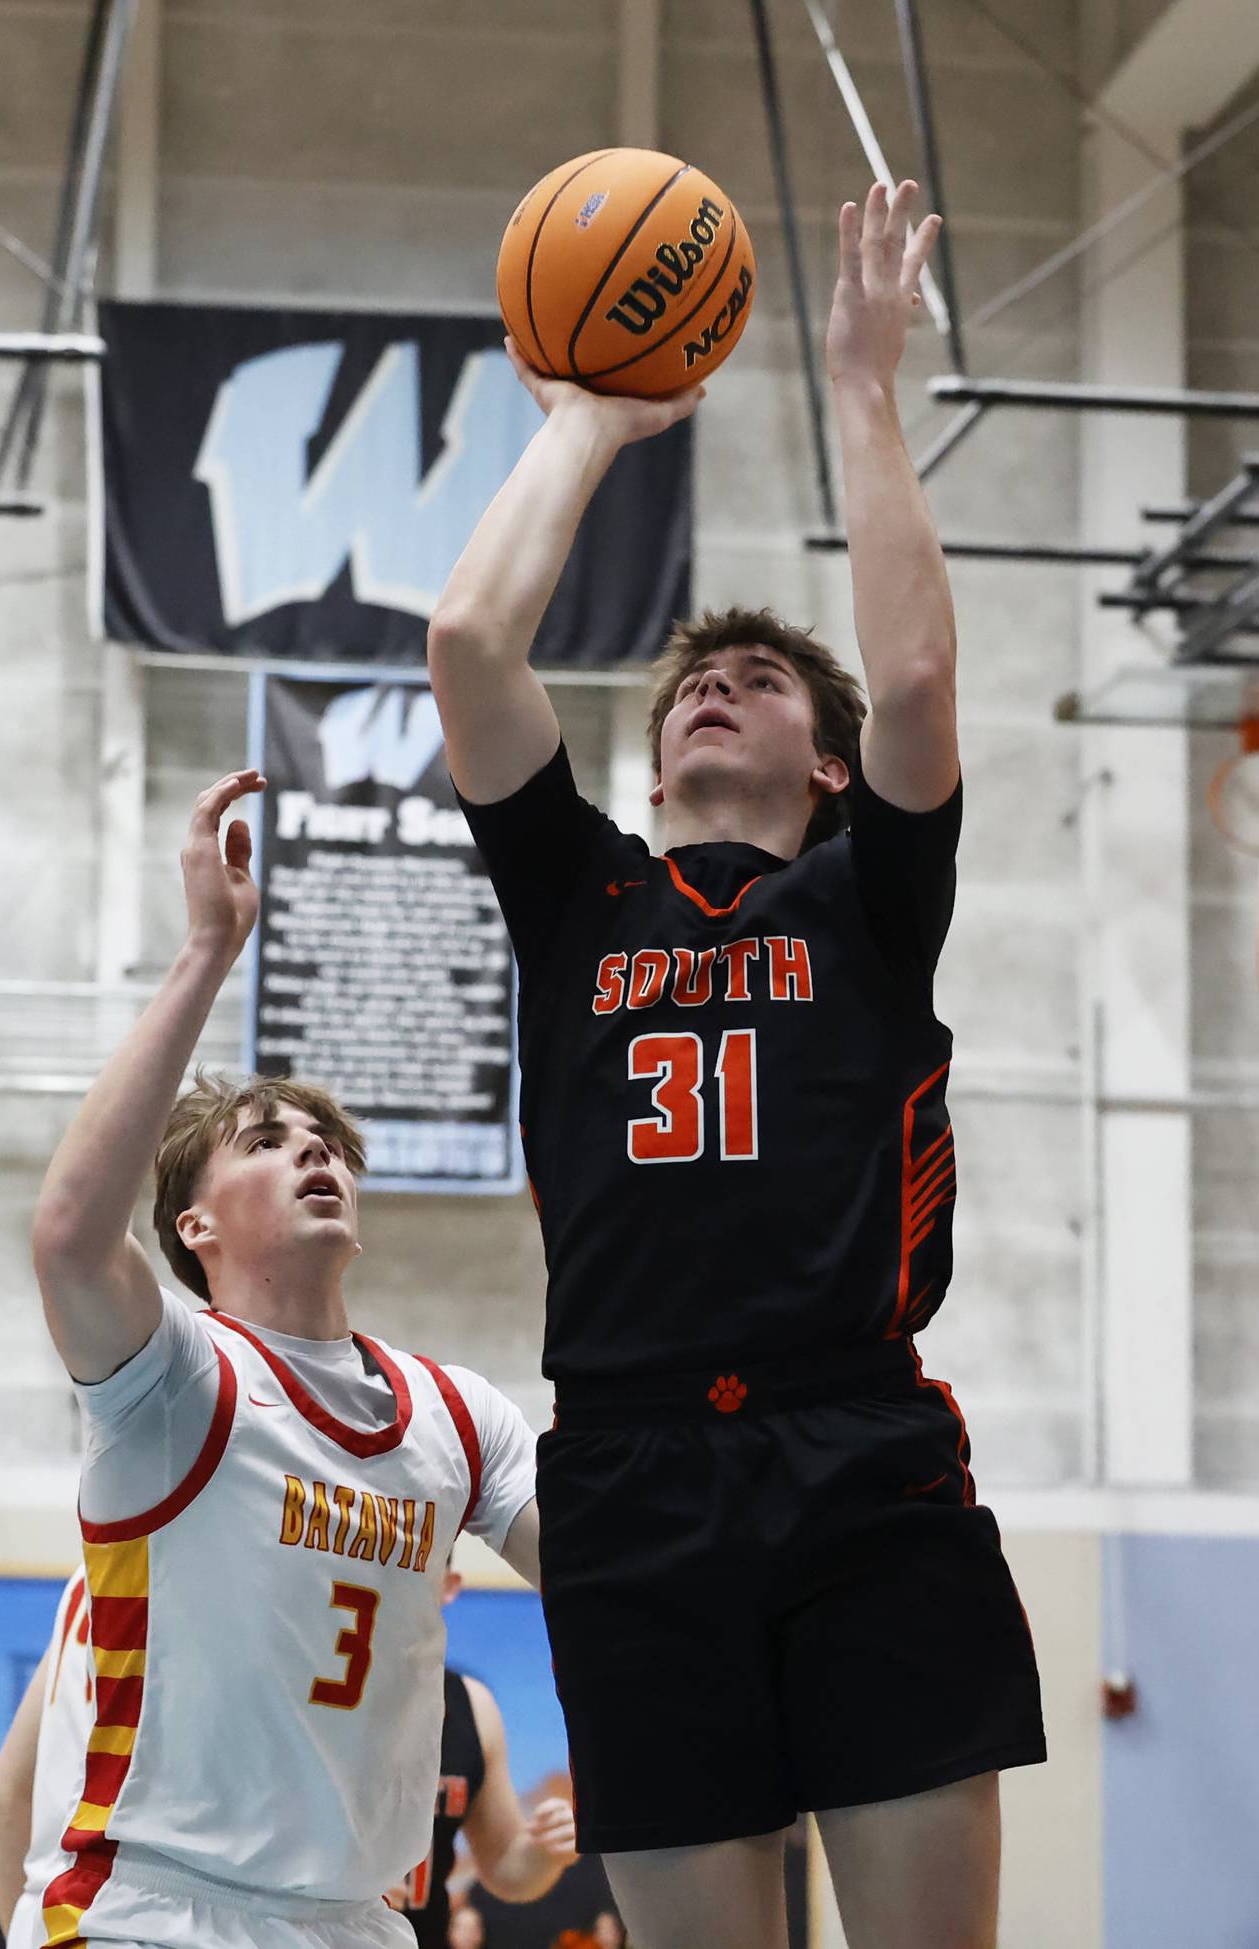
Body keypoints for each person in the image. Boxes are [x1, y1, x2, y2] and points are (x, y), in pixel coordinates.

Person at [425, 182, 1045, 1949]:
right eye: (698, 677)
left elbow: (918, 670)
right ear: (649, 757)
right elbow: (472, 643)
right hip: (626, 1471)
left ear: (828, 771)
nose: (720, 686)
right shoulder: (580, 895)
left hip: (857, 1453)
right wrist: (595, 417)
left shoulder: (869, 898)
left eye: (766, 680)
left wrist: (863, 381)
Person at [25, 767, 540, 1949]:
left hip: (360, 1919)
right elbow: (66, 1232)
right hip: (155, 1911)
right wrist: (212, 946)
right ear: (193, 1228)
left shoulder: (461, 1415)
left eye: (327, 1143)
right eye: (266, 1143)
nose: (316, 1154)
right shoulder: (175, 1373)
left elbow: (609, 1575)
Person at [388, 1562, 577, 1945]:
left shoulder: (472, 1705)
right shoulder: (311, 1693)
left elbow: (507, 1867)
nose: (400, 1578)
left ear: (449, 1585)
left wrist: (548, 1850)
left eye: (418, 1565)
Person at [0, 1568, 91, 1947]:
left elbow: (0, 1804)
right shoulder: (228, 1579)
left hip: (49, 1922)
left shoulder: (87, 1577)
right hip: (144, 1920)